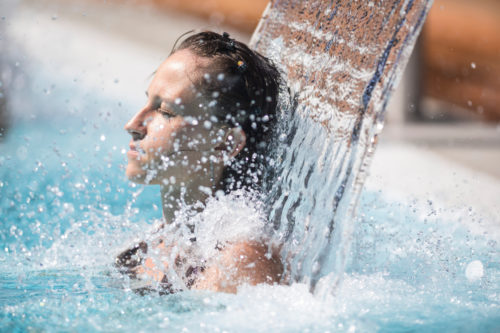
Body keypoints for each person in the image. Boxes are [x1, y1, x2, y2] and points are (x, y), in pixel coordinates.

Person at [115, 31, 283, 294]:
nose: (133, 125)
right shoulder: (153, 245)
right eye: (148, 101)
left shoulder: (236, 266)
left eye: (166, 112)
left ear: (225, 144)